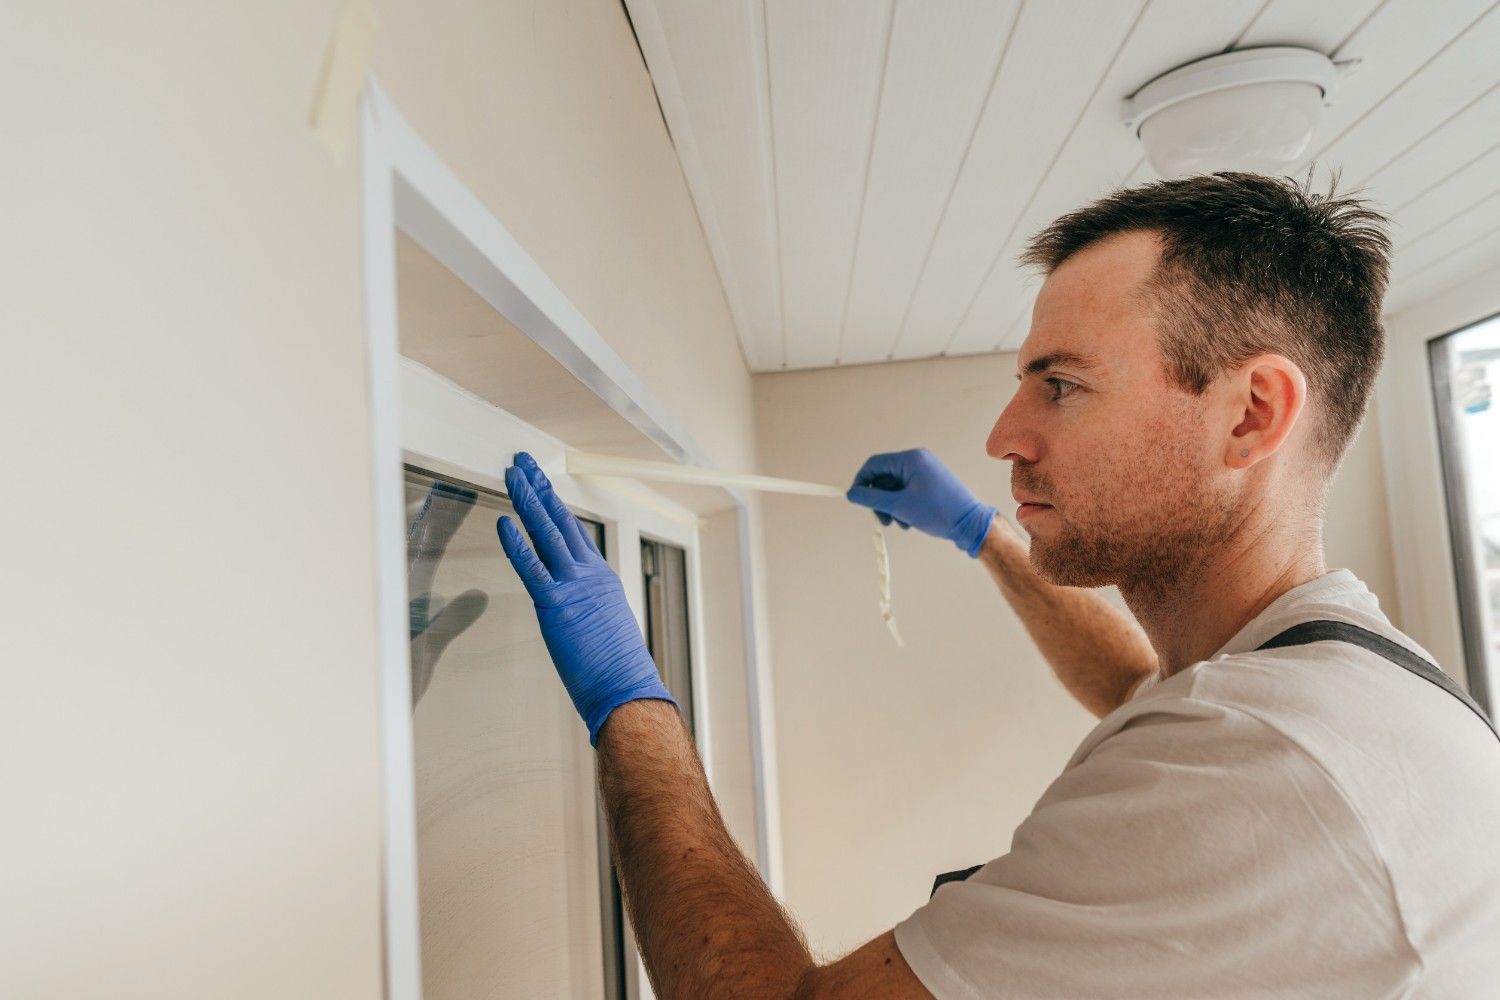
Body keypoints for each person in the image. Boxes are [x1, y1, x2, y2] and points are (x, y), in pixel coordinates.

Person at [495, 173, 1500, 998]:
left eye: (1059, 385)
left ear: (1251, 415)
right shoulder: (1321, 676)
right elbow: (1137, 688)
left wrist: (634, 709)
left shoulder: (1266, 763)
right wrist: (983, 537)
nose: (1003, 437)